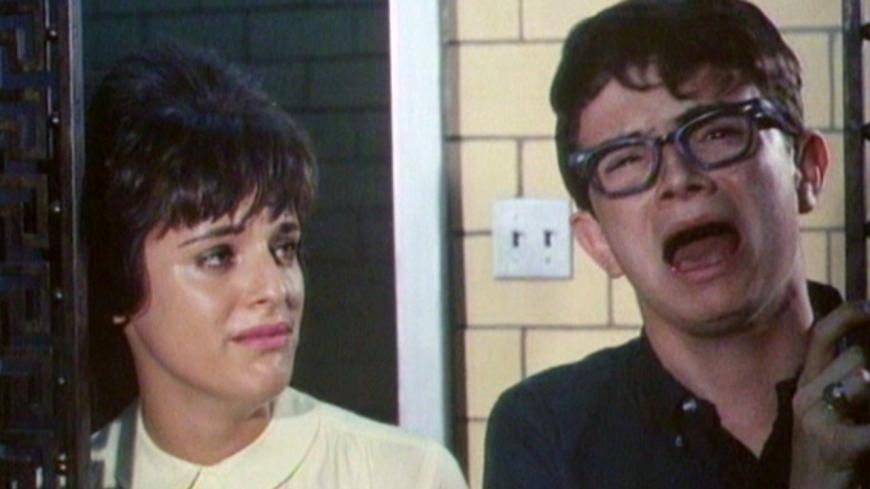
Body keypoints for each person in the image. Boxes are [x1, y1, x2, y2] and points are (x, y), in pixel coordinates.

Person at [483, 1, 870, 488]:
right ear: (598, 242)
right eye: (625, 159)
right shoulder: (548, 431)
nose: (679, 178)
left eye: (717, 132)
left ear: (807, 170)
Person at [84, 44, 467, 489]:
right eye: (217, 257)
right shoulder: (75, 474)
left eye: (283, 248)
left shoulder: (405, 475)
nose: (274, 288)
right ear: (116, 279)